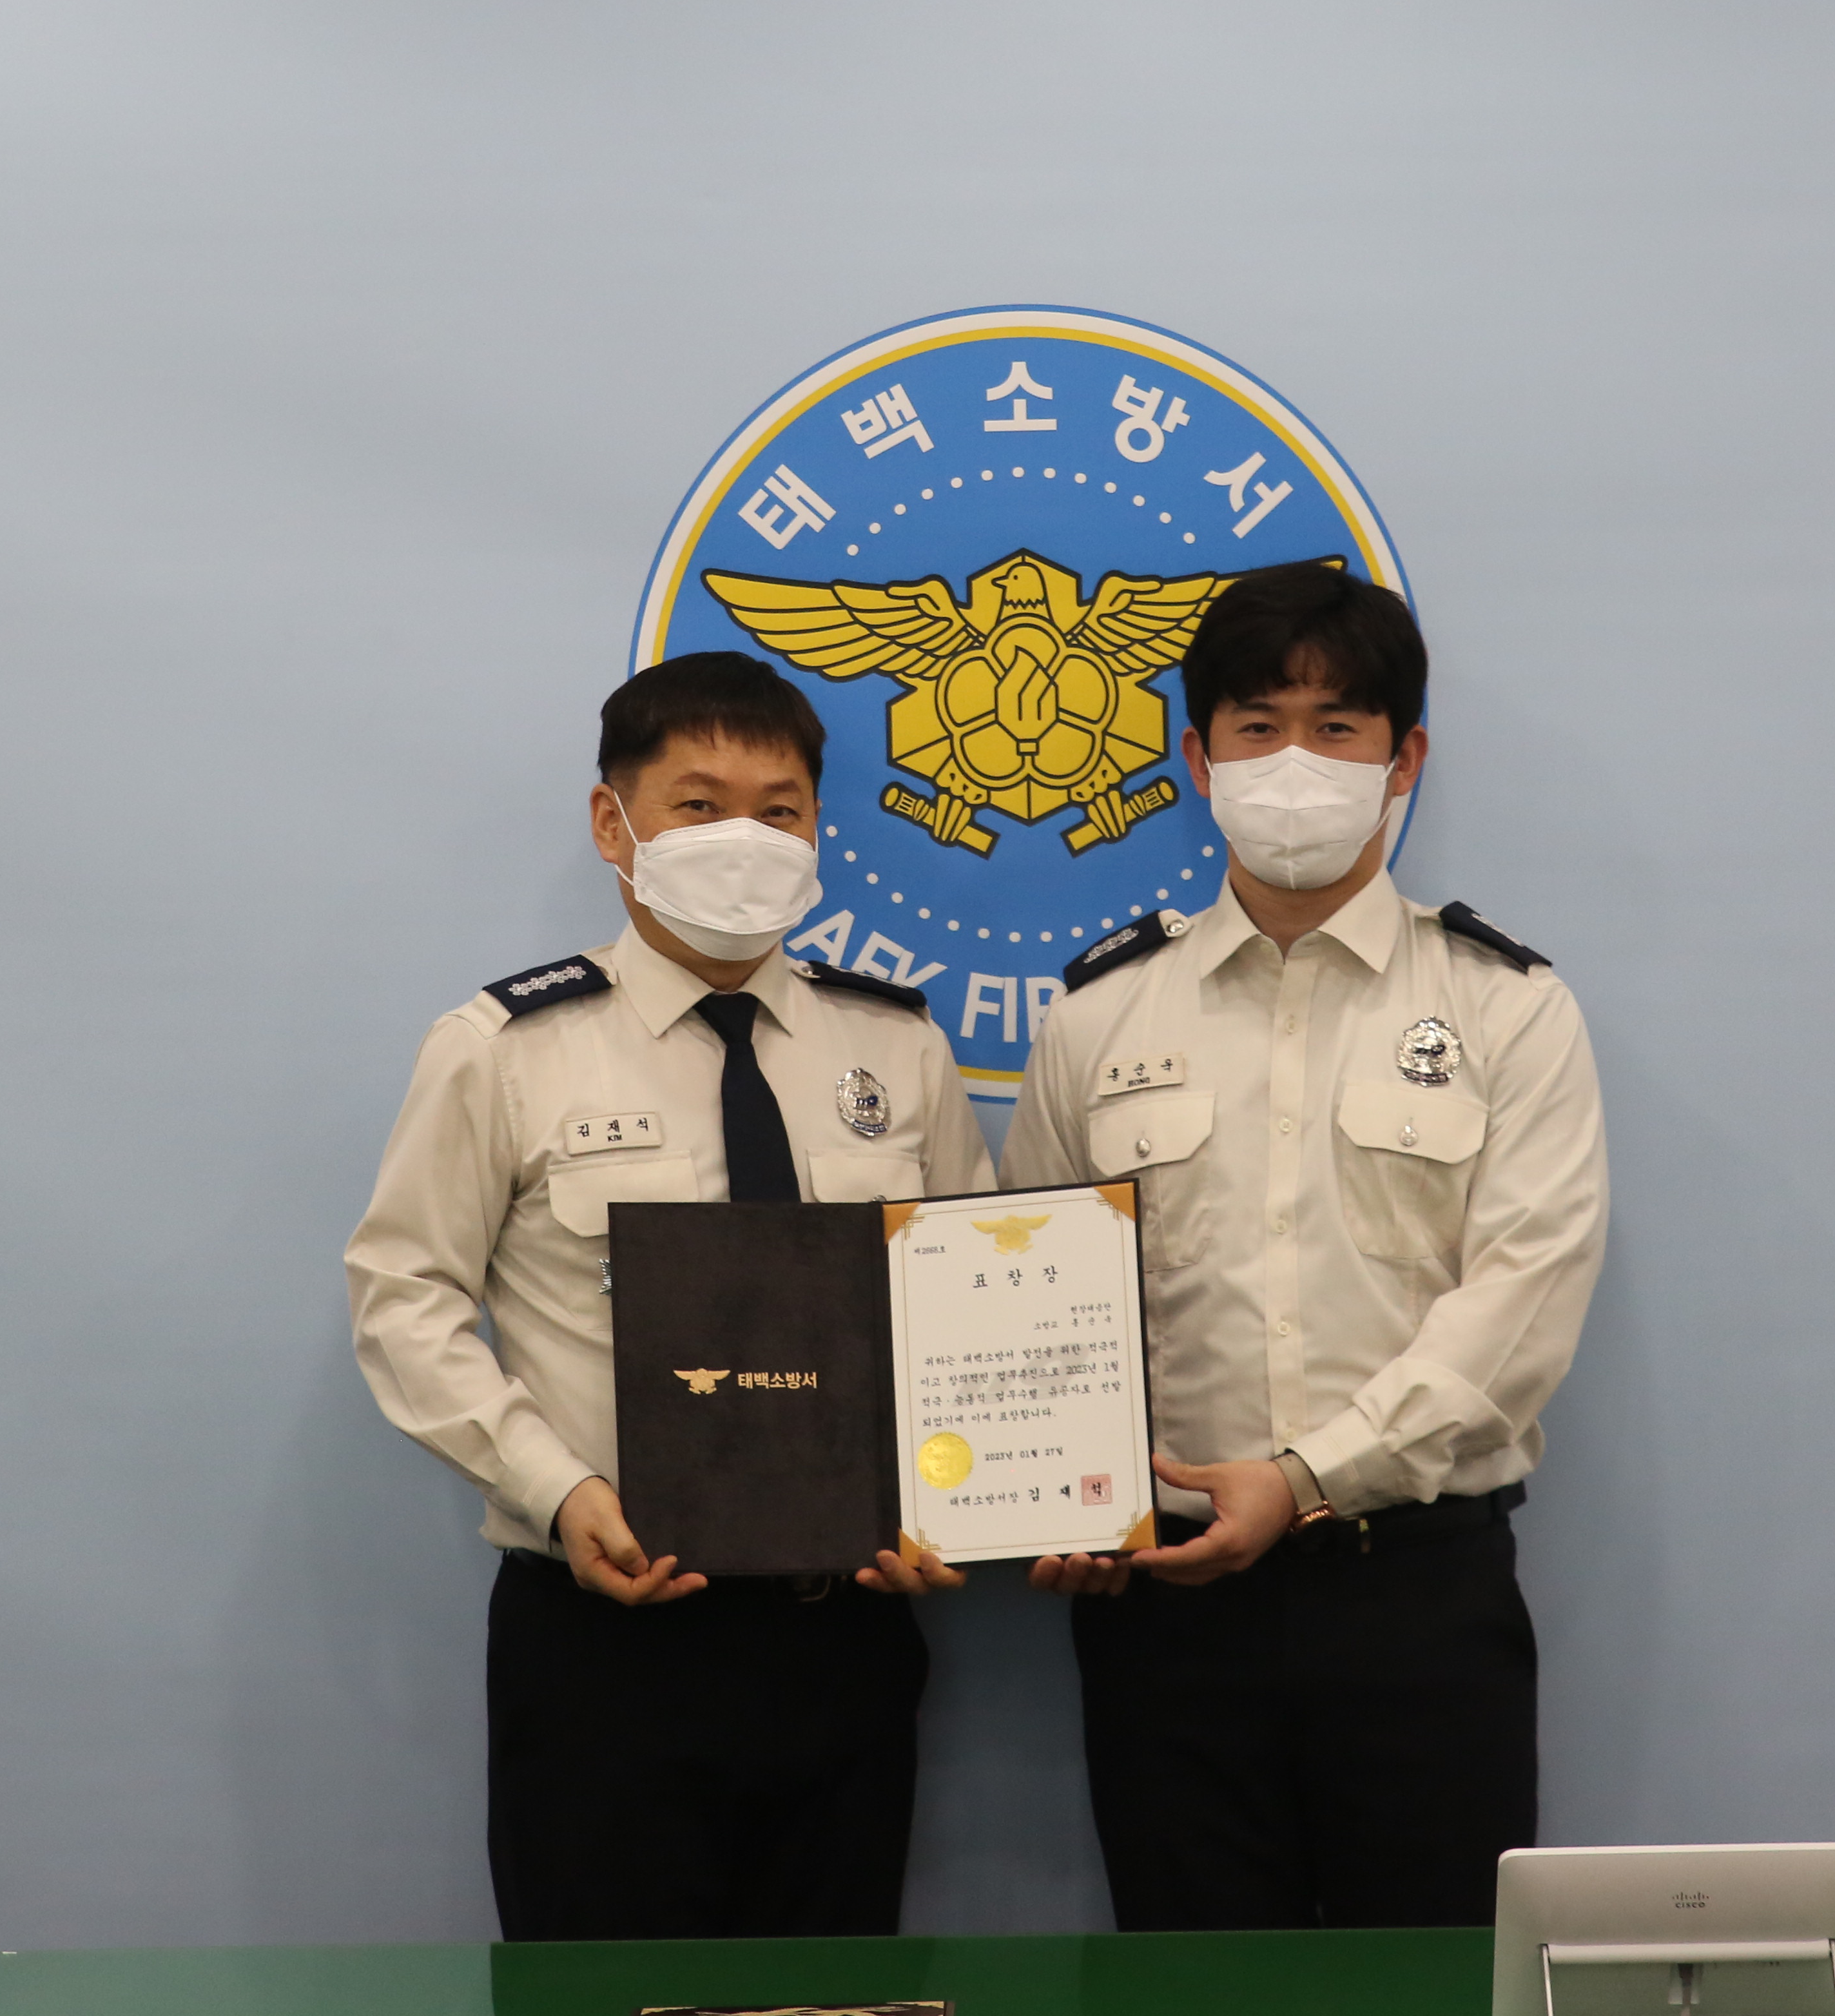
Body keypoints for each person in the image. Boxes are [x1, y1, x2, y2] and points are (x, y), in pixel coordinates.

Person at [344, 650, 995, 1942]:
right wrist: (556, 1489)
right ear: (614, 823)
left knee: (830, 1997)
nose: (743, 838)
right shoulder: (506, 1050)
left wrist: (957, 1500)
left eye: (780, 809)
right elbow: (403, 1297)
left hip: (846, 1632)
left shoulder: (897, 1046)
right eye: (699, 805)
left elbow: (970, 1305)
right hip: (604, 1640)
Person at [1001, 561, 1610, 1931]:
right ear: (1196, 758)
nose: (1294, 763)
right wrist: (1050, 1500)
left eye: (1337, 729)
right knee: (1194, 1982)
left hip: (1417, 1595)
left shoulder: (1508, 1008)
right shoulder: (1097, 1017)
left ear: (1406, 761)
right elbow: (1025, 1294)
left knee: (1427, 1983)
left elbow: (1519, 1310)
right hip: (1163, 1615)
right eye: (1258, 726)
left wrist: (1306, 1480)